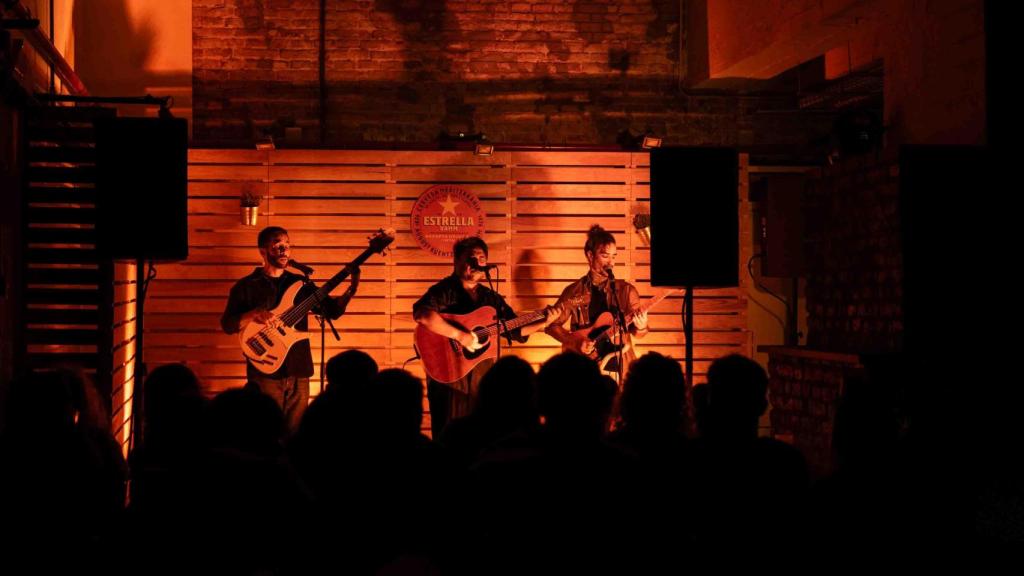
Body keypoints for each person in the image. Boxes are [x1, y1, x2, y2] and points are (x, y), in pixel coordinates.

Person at [220, 225, 359, 434]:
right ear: (263, 251)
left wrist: (352, 287)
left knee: (295, 432)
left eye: (287, 245)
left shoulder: (300, 284)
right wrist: (252, 314)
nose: (284, 250)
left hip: (298, 367)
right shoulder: (246, 286)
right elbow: (228, 324)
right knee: (265, 431)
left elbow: (332, 311)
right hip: (264, 369)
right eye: (277, 245)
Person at [413, 236, 555, 437]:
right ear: (456, 261)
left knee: (480, 430)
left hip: (481, 375)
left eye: (481, 259)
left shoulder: (491, 298)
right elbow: (422, 315)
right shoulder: (444, 291)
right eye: (470, 258)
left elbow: (514, 329)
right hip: (448, 373)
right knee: (448, 430)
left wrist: (544, 322)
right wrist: (461, 336)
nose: (476, 263)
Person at [545, 224, 648, 381]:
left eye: (614, 256)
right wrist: (575, 341)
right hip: (584, 368)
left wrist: (641, 326)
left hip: (621, 369)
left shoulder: (627, 291)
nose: (611, 262)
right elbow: (551, 326)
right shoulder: (573, 291)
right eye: (605, 256)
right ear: (590, 255)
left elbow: (639, 333)